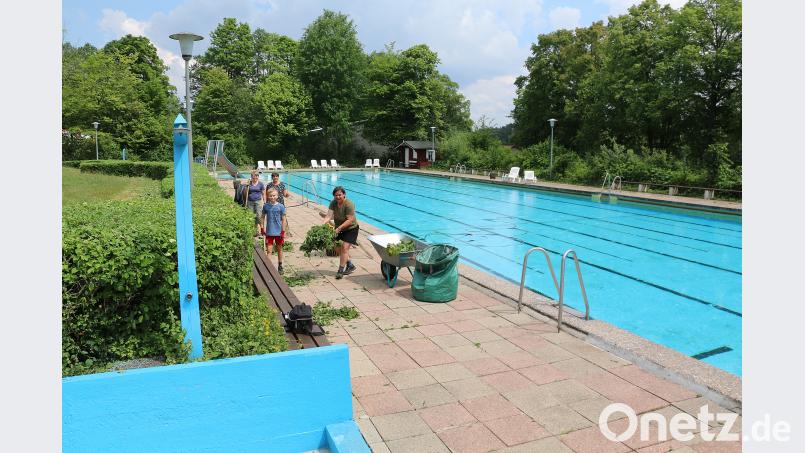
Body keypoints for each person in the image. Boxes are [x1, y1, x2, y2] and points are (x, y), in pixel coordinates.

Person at [321, 186, 358, 279]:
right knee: (336, 247)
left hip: (351, 229)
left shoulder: (349, 204)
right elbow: (329, 216)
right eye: (335, 195)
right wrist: (322, 225)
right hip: (339, 228)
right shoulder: (333, 203)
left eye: (339, 195)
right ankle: (349, 264)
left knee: (344, 248)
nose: (337, 197)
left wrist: (339, 228)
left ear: (344, 194)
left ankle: (340, 270)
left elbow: (350, 220)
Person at [261, 188, 286, 274]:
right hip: (269, 232)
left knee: (279, 249)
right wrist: (262, 228)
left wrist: (283, 231)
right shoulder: (266, 206)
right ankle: (268, 267)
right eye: (270, 196)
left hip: (279, 233)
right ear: (268, 196)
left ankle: (280, 265)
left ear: (277, 196)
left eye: (274, 195)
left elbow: (284, 219)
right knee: (269, 250)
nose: (272, 197)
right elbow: (262, 217)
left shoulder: (281, 206)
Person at [265, 172, 291, 236]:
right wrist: (266, 203)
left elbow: (285, 194)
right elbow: (267, 195)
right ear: (272, 177)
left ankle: (285, 232)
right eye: (274, 176)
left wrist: (287, 194)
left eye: (276, 176)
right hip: (271, 204)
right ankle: (273, 231)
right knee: (272, 218)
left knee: (282, 218)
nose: (275, 177)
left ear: (278, 177)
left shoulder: (282, 184)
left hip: (280, 204)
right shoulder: (269, 185)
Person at [246, 171, 265, 237]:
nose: (255, 177)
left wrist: (264, 201)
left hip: (258, 201)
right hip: (250, 201)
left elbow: (263, 193)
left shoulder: (260, 184)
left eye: (257, 176)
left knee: (259, 216)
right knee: (251, 216)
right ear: (251, 177)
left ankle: (262, 230)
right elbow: (245, 190)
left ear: (258, 177)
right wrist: (247, 183)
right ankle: (254, 231)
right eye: (254, 176)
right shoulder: (249, 183)